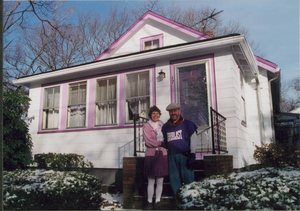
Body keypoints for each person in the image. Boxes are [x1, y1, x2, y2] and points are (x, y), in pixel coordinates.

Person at [161, 103, 197, 195]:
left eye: (175, 111)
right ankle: (178, 197)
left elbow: (193, 139)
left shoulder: (188, 124)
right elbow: (165, 141)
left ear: (179, 111)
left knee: (188, 178)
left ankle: (190, 198)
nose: (173, 113)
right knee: (174, 179)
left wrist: (192, 154)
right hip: (172, 156)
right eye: (171, 112)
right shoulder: (165, 127)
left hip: (185, 155)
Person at [143, 106, 168, 210]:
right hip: (151, 154)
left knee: (160, 180)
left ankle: (157, 201)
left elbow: (166, 138)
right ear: (150, 115)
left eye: (157, 113)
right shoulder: (146, 126)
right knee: (151, 180)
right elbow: (147, 140)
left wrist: (163, 143)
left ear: (160, 114)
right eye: (153, 113)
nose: (155, 115)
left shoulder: (164, 125)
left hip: (162, 154)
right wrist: (160, 143)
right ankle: (149, 201)